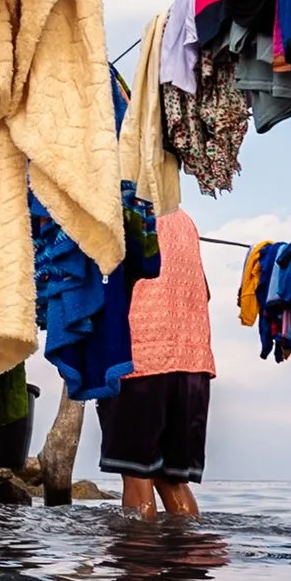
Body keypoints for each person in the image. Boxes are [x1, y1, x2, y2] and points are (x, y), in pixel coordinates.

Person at [98, 208, 212, 518]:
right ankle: (186, 560)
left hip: (139, 358)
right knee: (171, 479)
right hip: (194, 364)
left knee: (136, 474)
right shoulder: (185, 220)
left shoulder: (122, 207)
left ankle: (140, 560)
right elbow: (204, 291)